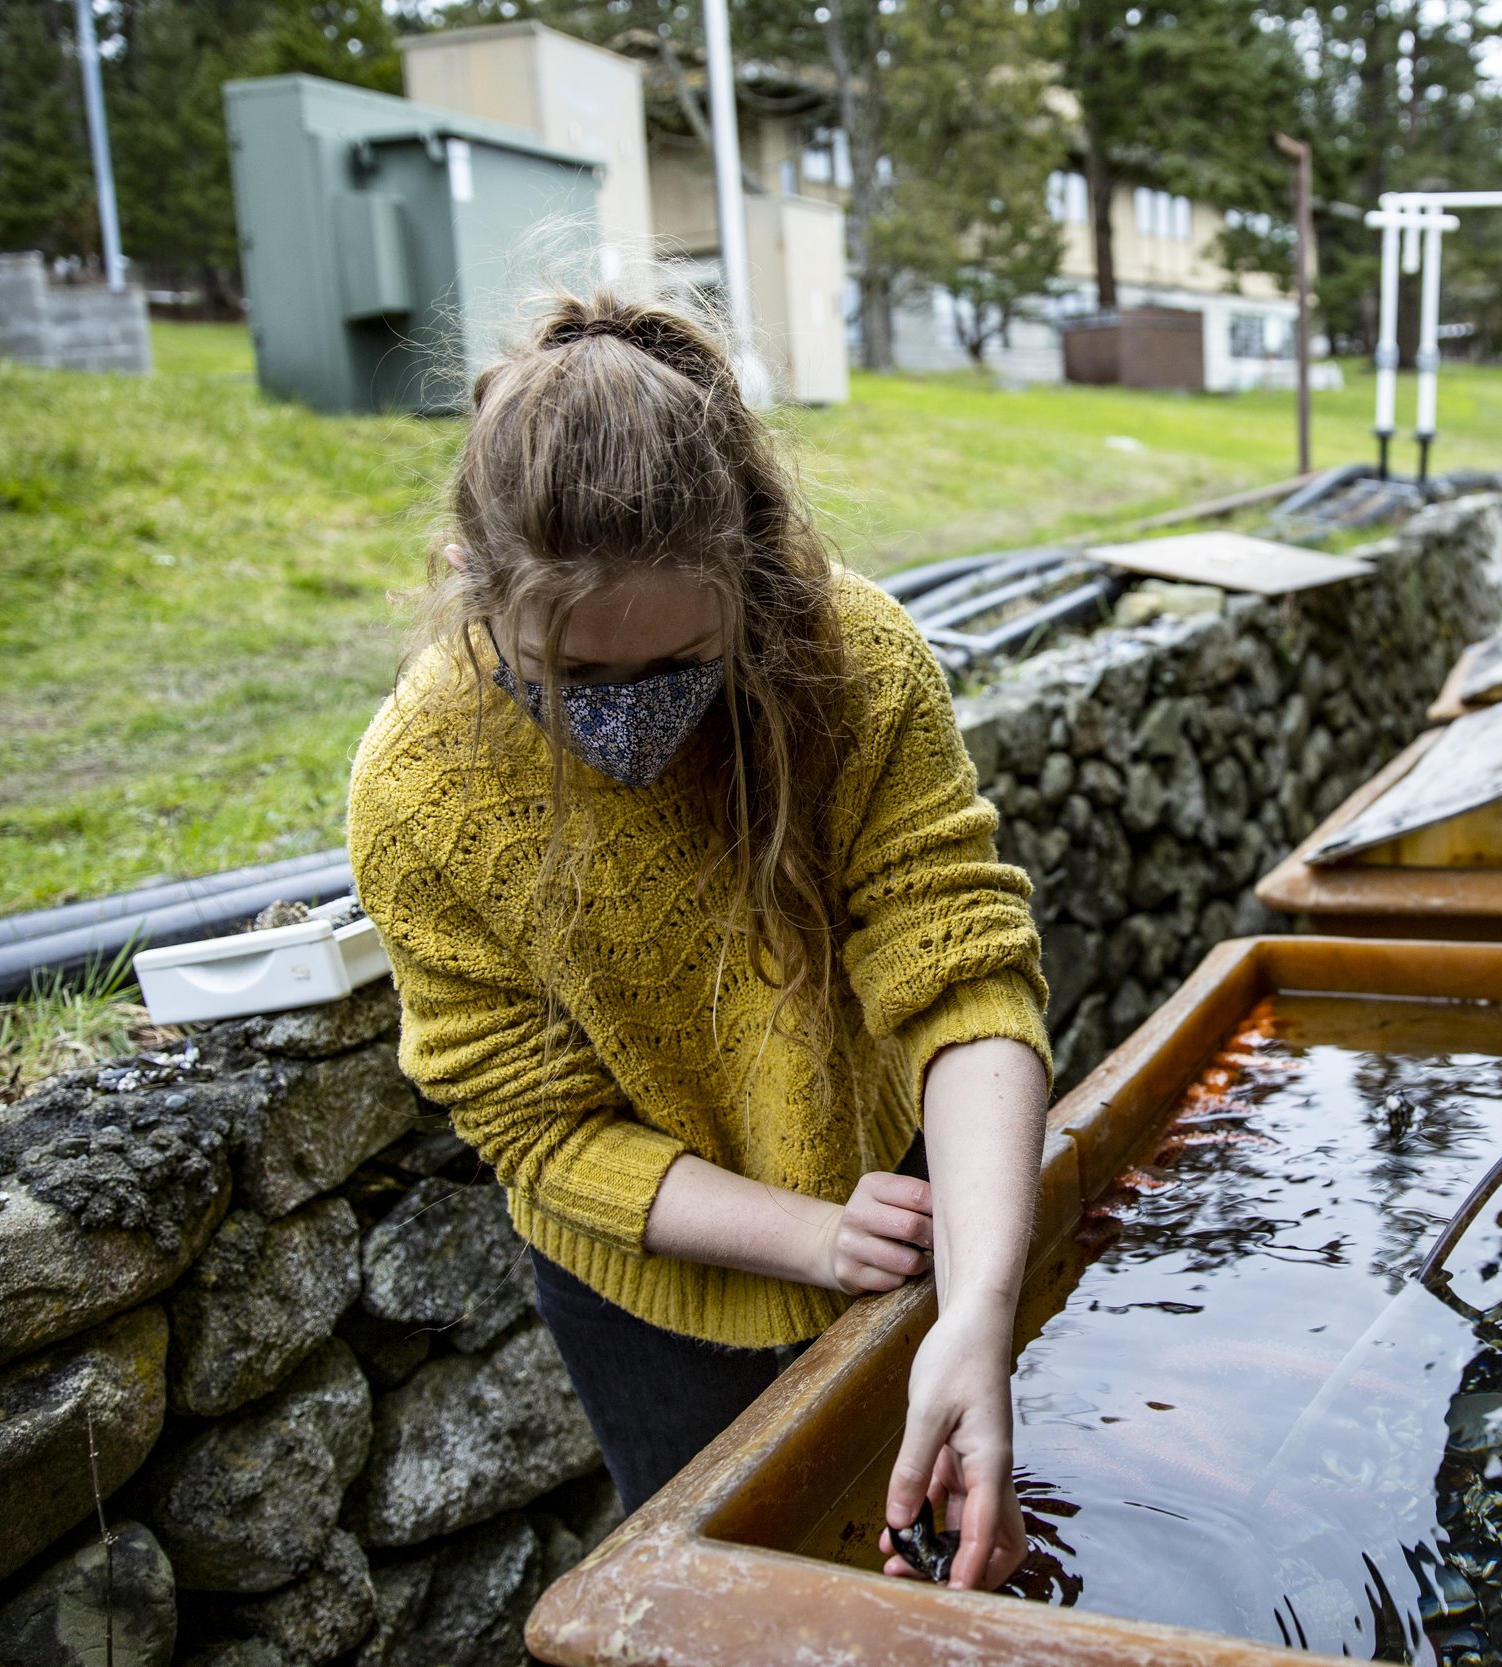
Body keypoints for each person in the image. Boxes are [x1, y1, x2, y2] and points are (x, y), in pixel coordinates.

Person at [347, 289, 1051, 1592]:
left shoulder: (856, 660)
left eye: (678, 661)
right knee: (736, 1604)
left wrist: (978, 1311)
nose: (630, 720)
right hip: (648, 1291)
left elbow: (958, 969)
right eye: (573, 676)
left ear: (753, 572)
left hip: (910, 1205)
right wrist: (808, 1239)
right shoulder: (417, 793)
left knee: (952, 1561)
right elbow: (541, 1130)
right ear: (472, 587)